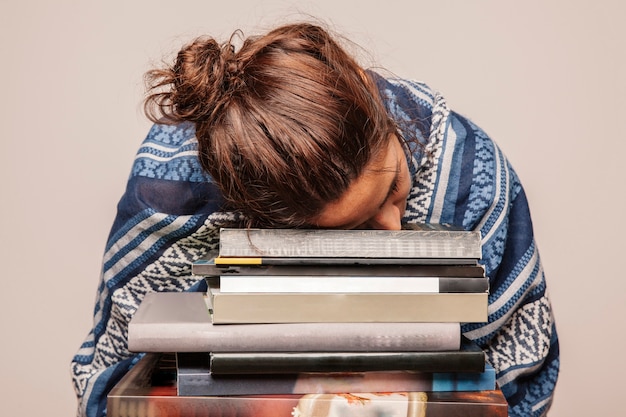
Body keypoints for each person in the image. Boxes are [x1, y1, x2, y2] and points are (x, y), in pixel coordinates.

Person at [71, 22, 559, 417]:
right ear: (260, 219)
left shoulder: (469, 174)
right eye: (354, 229)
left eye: (392, 188)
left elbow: (517, 365)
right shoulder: (173, 193)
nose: (393, 229)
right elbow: (120, 375)